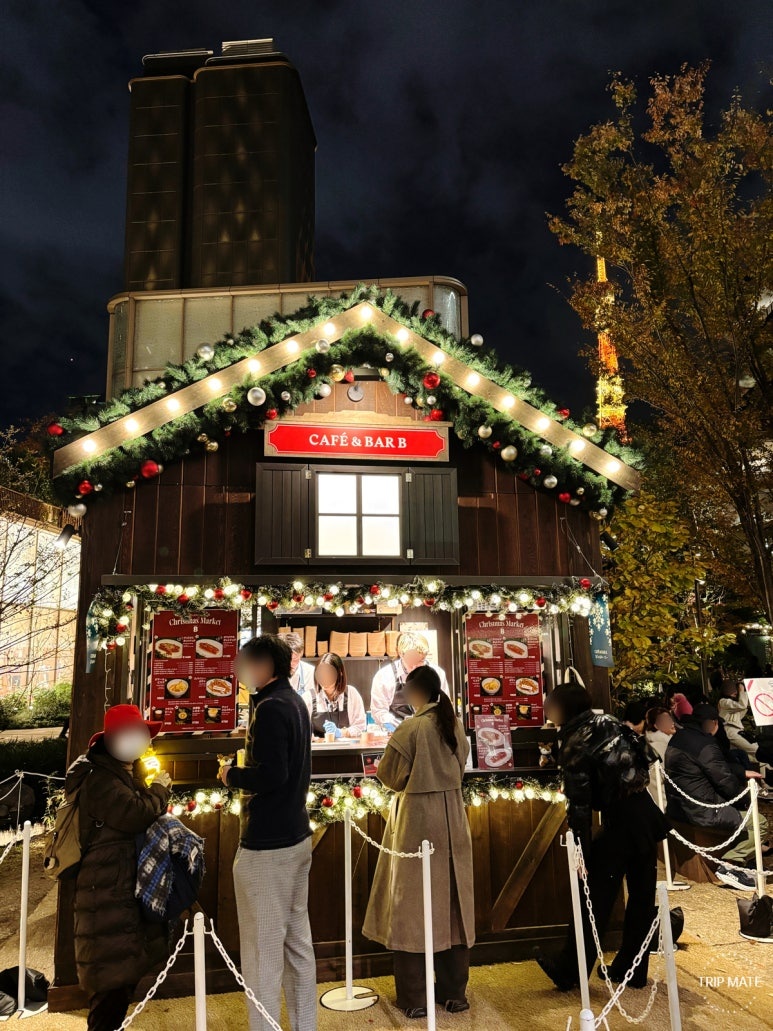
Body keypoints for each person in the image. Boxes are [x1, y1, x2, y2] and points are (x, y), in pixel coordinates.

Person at [537, 686, 669, 992]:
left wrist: (579, 850)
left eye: (549, 705)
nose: (546, 710)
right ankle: (632, 970)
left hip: (621, 822)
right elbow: (645, 757)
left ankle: (570, 969)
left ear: (562, 708)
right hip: (645, 813)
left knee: (592, 897)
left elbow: (580, 805)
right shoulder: (607, 721)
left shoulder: (575, 741)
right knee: (641, 896)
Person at [363, 666, 474, 1018]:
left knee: (411, 906)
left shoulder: (410, 729)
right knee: (454, 903)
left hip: (416, 822)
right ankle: (454, 993)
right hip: (453, 818)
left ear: (413, 693)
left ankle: (414, 998)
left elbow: (389, 777)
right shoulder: (453, 724)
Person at [221, 635, 317, 1031]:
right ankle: (303, 1025)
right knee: (298, 946)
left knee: (262, 954)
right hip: (296, 837)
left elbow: (272, 774)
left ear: (267, 668)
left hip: (268, 847)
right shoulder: (293, 702)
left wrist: (231, 775)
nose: (241, 671)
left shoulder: (272, 708)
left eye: (247, 663)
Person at [66, 704, 172, 1031]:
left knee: (119, 980)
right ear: (109, 740)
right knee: (110, 985)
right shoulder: (99, 778)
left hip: (118, 889)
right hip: (106, 893)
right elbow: (134, 814)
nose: (136, 741)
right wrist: (160, 790)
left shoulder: (123, 770)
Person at [664, 702, 768, 891]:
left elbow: (712, 770)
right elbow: (724, 781)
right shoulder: (705, 744)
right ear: (713, 723)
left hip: (679, 806)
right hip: (703, 810)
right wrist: (745, 801)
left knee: (743, 818)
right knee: (759, 822)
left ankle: (744, 864)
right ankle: (731, 864)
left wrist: (740, 773)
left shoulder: (679, 738)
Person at [370, 632, 450, 731]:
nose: (416, 666)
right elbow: (379, 711)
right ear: (401, 654)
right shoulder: (385, 676)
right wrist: (403, 726)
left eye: (421, 660)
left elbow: (445, 706)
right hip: (398, 734)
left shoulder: (438, 673)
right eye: (412, 660)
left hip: (430, 732)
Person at [306, 652, 367, 739]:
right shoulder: (308, 697)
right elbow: (301, 728)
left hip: (347, 750)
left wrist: (341, 732)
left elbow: (360, 726)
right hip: (317, 751)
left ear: (340, 673)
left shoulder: (351, 694)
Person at [718, 681, 761, 763]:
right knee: (757, 750)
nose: (735, 692)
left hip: (737, 731)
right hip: (731, 731)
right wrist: (741, 691)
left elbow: (743, 706)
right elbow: (742, 705)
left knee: (745, 754)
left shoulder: (733, 704)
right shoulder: (723, 702)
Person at [285, 631, 315, 700]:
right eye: (287, 659)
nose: (290, 664)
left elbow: (312, 701)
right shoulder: (274, 672)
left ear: (301, 653)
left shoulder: (310, 672)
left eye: (295, 659)